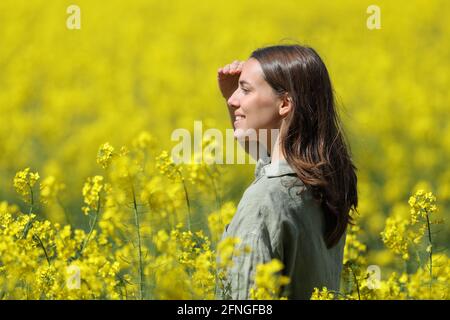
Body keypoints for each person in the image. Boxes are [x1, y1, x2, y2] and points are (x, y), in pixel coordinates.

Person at [215, 44, 358, 300]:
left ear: (284, 104)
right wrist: (234, 103)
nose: (234, 99)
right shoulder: (324, 184)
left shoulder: (264, 202)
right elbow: (267, 155)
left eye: (245, 89)